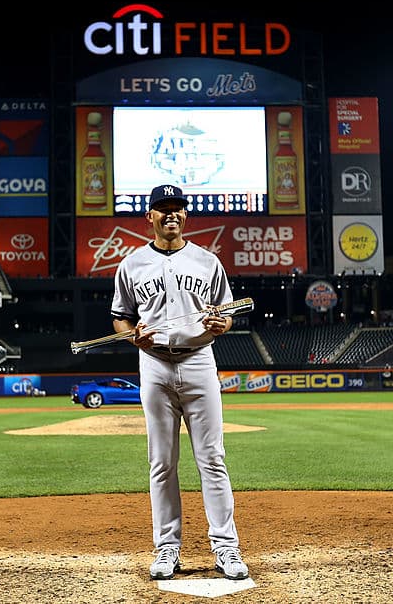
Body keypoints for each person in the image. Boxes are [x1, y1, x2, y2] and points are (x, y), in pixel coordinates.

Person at [110, 183, 249, 581]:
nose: (171, 214)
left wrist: (224, 322)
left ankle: (226, 548)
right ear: (149, 217)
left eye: (178, 208)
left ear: (185, 216)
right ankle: (167, 549)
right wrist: (129, 333)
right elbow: (120, 315)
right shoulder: (131, 264)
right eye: (163, 208)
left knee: (213, 459)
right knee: (161, 463)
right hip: (153, 364)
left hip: (199, 359)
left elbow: (227, 313)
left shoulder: (207, 262)